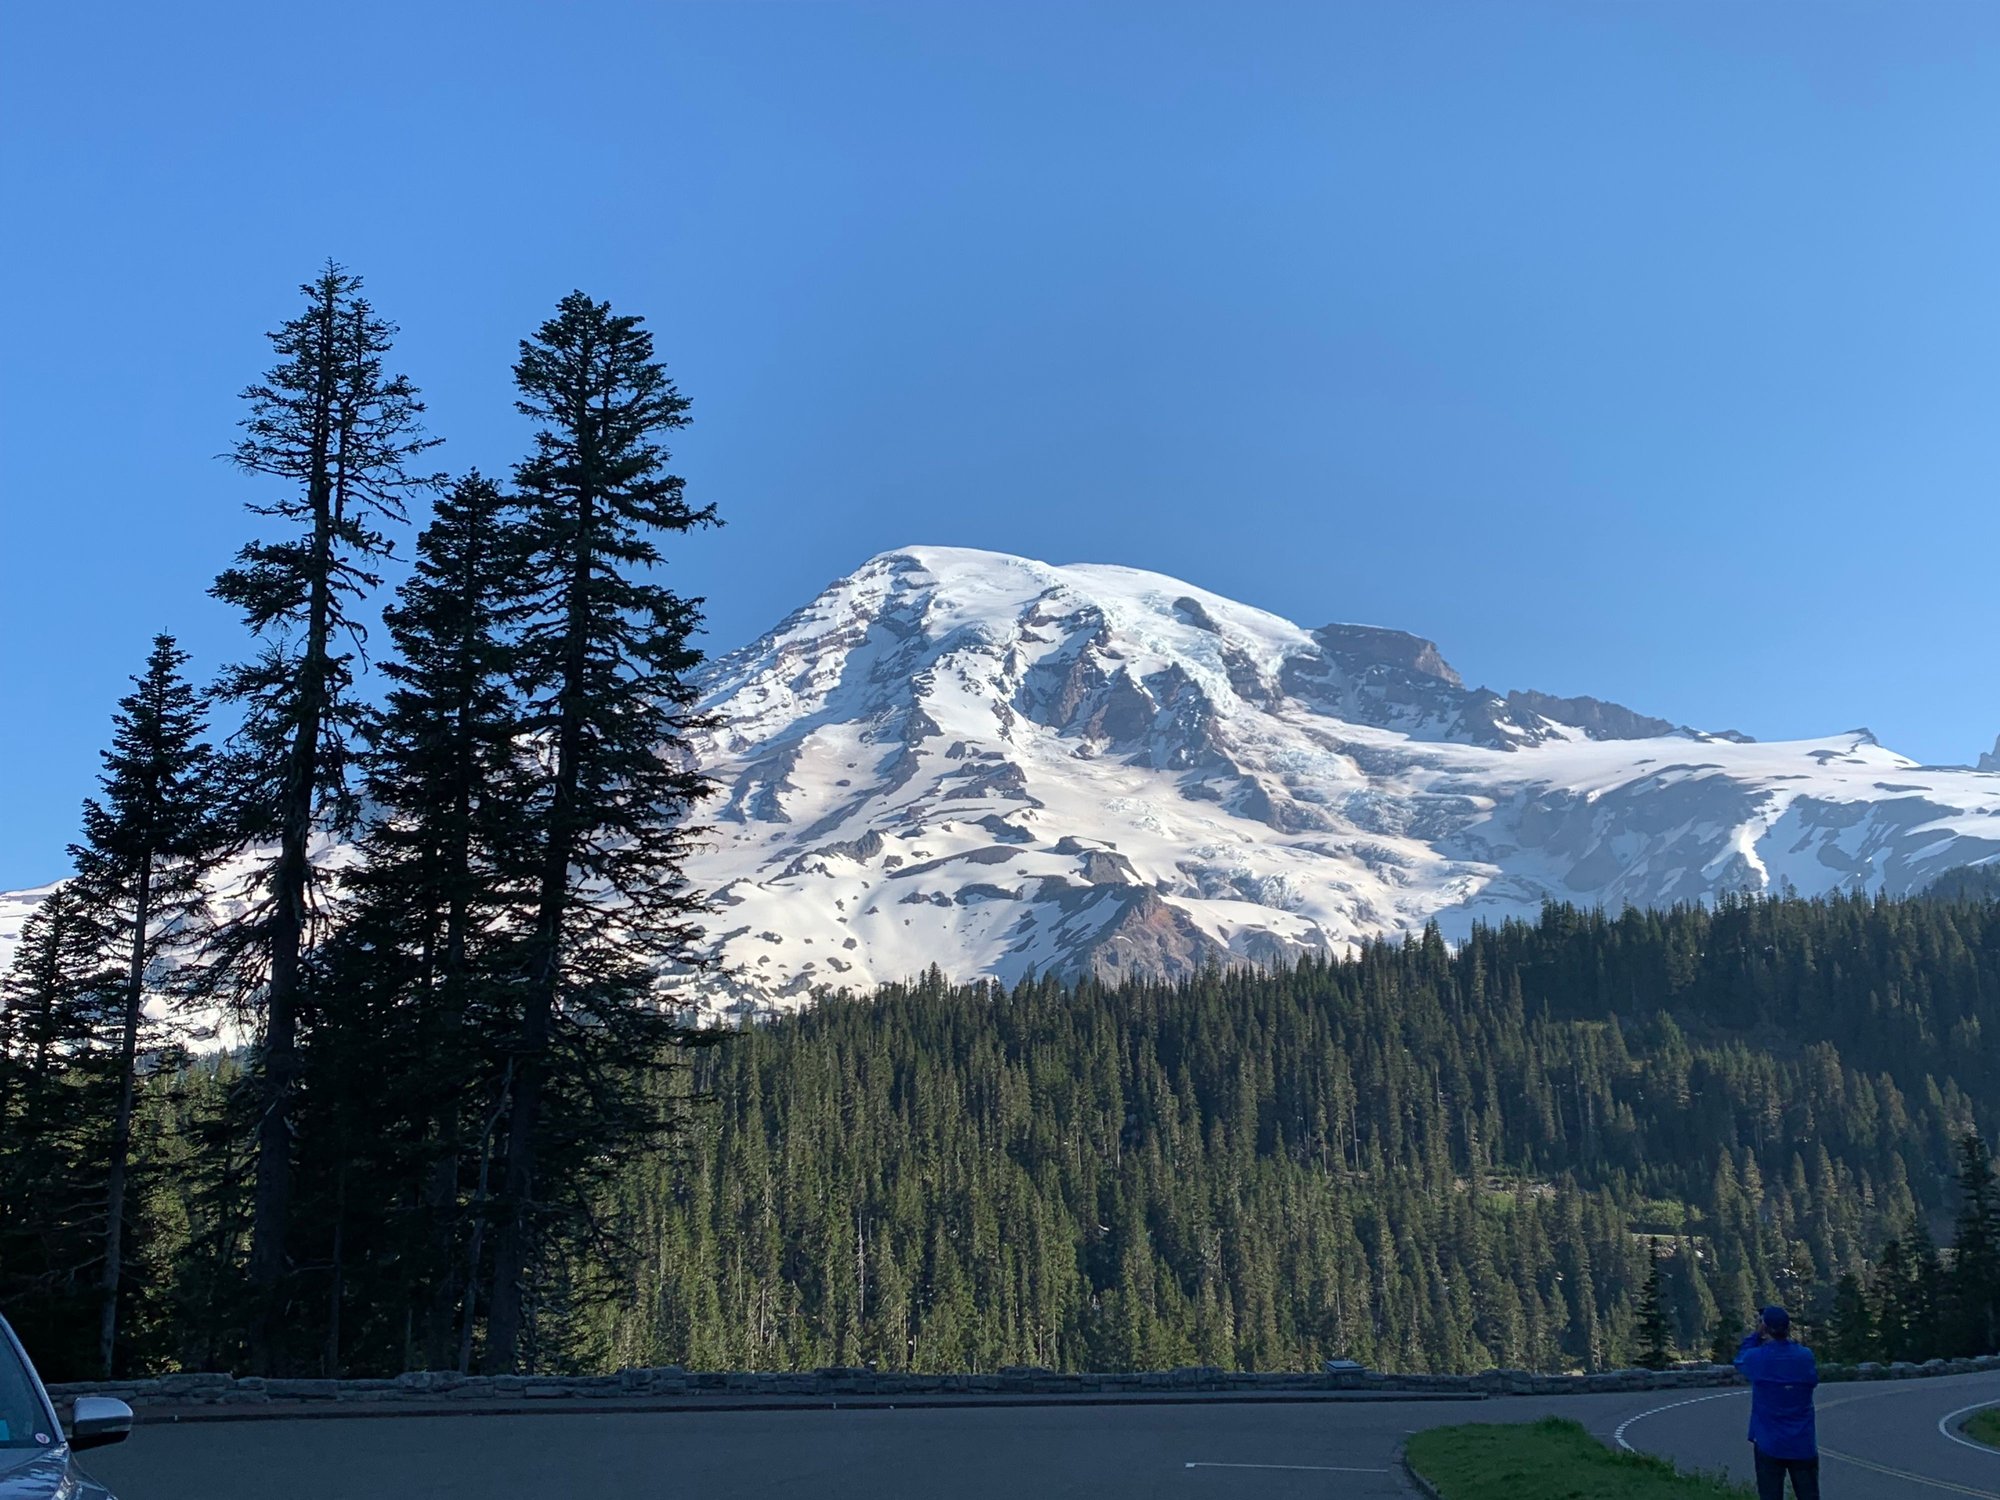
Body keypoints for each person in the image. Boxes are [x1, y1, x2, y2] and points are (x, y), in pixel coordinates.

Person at [1734, 1305, 1820, 1500]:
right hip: (1802, 1441)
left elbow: (1740, 1359)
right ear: (1788, 1328)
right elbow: (1812, 1380)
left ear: (1765, 1328)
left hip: (1769, 1441)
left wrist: (1756, 1335)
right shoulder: (1805, 1356)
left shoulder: (1756, 1358)